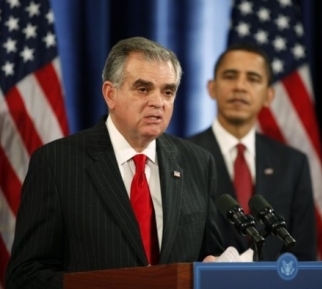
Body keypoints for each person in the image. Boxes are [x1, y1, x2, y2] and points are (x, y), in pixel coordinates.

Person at [6, 37, 224, 289]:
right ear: (111, 94)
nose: (158, 102)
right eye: (143, 89)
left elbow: (210, 255)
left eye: (168, 91)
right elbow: (25, 274)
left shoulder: (197, 162)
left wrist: (215, 267)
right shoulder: (57, 163)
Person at [188, 42, 317, 261]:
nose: (240, 86)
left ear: (269, 95)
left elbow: (303, 252)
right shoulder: (183, 157)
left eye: (253, 78)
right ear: (211, 88)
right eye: (230, 76)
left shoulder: (293, 163)